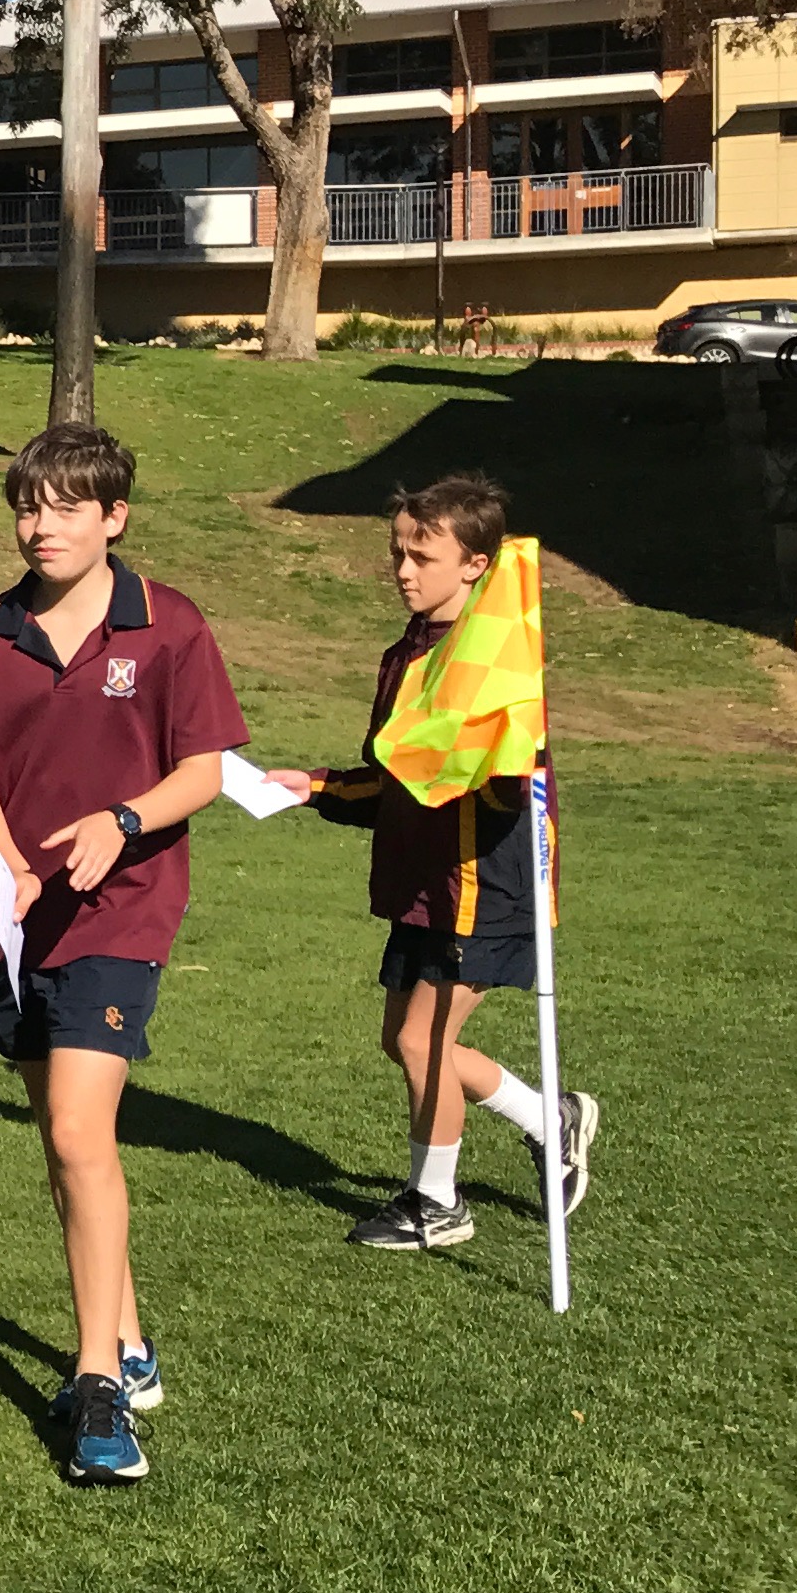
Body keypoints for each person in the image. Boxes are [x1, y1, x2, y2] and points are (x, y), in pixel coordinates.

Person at [0, 420, 247, 1489]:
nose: (41, 525)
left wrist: (123, 820)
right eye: (28, 506)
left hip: (124, 911)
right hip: (16, 916)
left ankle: (100, 1383)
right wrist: (7, 861)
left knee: (76, 1128)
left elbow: (204, 772)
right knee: (66, 1140)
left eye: (67, 507)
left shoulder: (168, 626)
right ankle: (130, 1334)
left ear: (115, 517)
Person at [261, 470, 599, 1249]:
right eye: (398, 554)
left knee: (423, 1042)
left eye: (422, 557)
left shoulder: (499, 664)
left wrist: (509, 764)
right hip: (422, 882)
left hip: (483, 883)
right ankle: (549, 1117)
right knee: (405, 1040)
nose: (404, 571)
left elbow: (500, 787)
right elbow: (394, 780)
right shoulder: (406, 653)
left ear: (476, 564)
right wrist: (314, 786)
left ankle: (438, 1203)